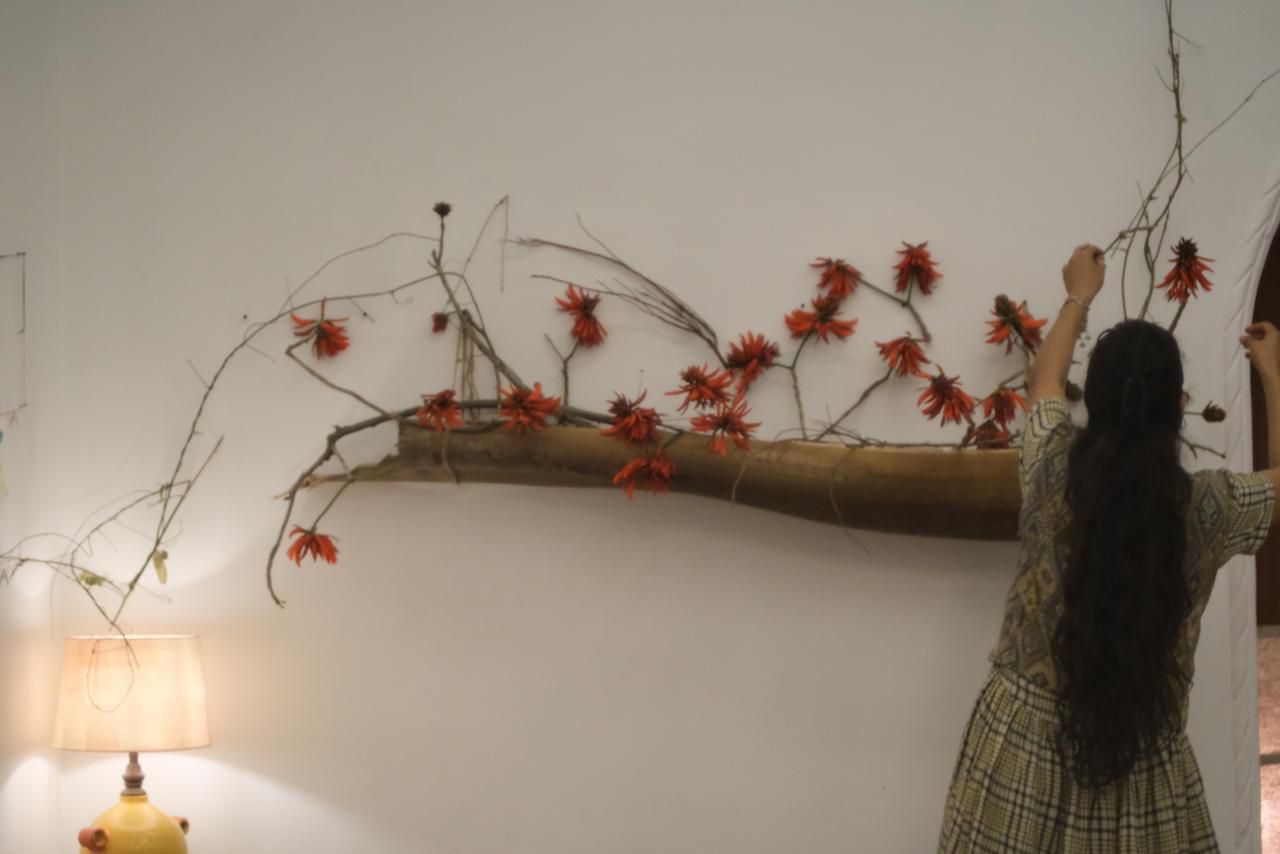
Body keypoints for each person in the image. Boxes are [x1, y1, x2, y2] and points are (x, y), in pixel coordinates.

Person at [937, 244, 1280, 853]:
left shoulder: (1048, 468)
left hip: (1016, 761)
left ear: (1090, 402)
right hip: (1145, 778)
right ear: (1179, 409)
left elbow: (1044, 380)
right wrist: (1273, 373)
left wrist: (1079, 295)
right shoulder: (1209, 507)